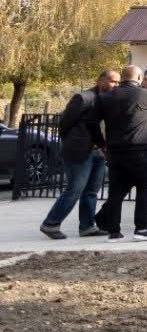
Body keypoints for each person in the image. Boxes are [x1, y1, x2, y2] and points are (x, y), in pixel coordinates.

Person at [39, 70, 114, 240]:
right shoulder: (84, 97)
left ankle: (87, 227)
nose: (116, 85)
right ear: (101, 81)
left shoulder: (109, 100)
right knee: (75, 189)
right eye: (112, 81)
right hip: (80, 151)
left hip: (99, 151)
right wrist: (73, 142)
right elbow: (64, 124)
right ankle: (50, 224)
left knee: (91, 191)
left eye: (118, 82)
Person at [92, 65, 147, 240]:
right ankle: (142, 228)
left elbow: (92, 123)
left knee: (115, 191)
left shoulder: (105, 97)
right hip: (139, 149)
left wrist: (102, 144)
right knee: (145, 187)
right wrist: (144, 129)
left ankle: (114, 231)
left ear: (122, 77)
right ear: (139, 78)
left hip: (115, 151)